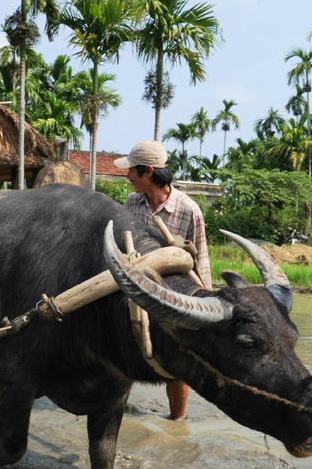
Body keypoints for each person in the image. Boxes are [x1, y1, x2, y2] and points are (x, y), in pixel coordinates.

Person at [115, 140, 211, 421]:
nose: (128, 176)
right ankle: (116, 410)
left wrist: (202, 307)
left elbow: (201, 260)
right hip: (137, 290)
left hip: (174, 297)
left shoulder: (188, 209)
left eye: (132, 171)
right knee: (125, 354)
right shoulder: (132, 203)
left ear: (147, 172)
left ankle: (176, 423)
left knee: (178, 365)